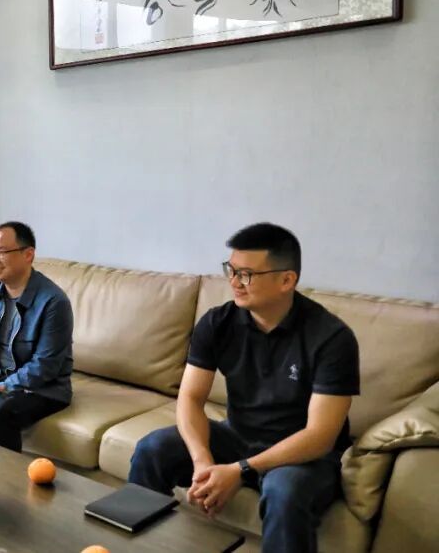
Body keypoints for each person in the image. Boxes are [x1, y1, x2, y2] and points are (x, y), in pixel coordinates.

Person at [128, 223, 360, 553]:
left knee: (284, 493)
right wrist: (202, 460)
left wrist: (241, 470)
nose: (234, 282)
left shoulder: (332, 338)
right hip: (237, 436)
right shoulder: (218, 322)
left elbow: (320, 436)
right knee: (152, 449)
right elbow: (190, 398)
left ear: (286, 280)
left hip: (301, 455)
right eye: (231, 270)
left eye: (246, 274)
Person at [0, 221, 74, 452]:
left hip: (41, 389)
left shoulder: (54, 302)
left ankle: (5, 473)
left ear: (28, 254)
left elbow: (44, 367)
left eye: (1, 252)